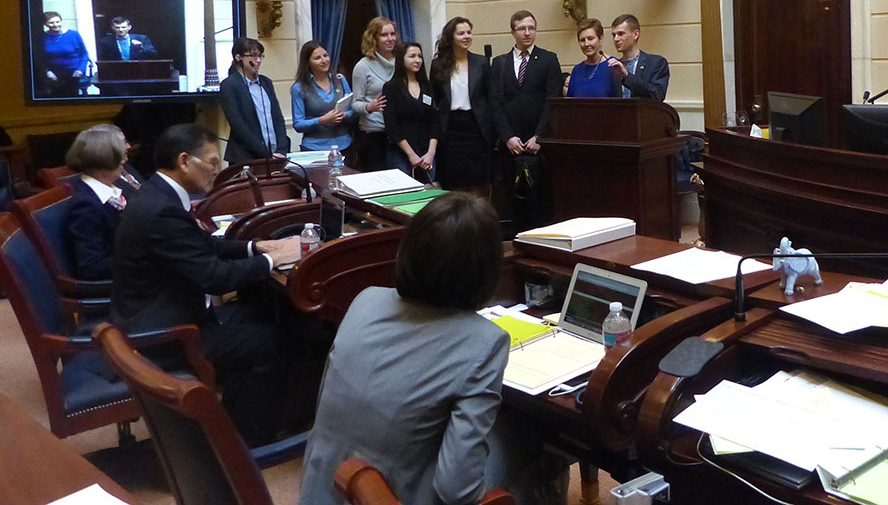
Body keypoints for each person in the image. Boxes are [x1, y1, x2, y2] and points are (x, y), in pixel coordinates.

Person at [298, 192, 567, 505]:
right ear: (487, 269)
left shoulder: (366, 300)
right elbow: (457, 490)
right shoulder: (484, 342)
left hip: (321, 490)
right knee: (538, 435)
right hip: (396, 495)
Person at [110, 123, 300, 445]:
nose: (218, 170)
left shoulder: (158, 193)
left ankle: (240, 416)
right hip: (164, 332)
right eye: (213, 162)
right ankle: (247, 439)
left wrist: (257, 247)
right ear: (185, 161)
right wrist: (274, 261)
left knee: (262, 311)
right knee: (271, 339)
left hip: (159, 310)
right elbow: (213, 276)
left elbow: (202, 244)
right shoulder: (162, 210)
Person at [491, 11, 562, 230]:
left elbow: (553, 100)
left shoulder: (548, 59)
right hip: (510, 144)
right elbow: (495, 103)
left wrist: (540, 135)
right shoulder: (500, 63)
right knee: (513, 202)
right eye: (522, 28)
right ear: (513, 32)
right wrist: (507, 137)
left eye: (531, 28)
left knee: (539, 201)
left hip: (537, 143)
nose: (528, 33)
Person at [63, 124, 136, 281]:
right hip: (124, 288)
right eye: (120, 157)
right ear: (103, 160)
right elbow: (91, 266)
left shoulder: (116, 187)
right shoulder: (85, 206)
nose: (126, 159)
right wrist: (145, 260)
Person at [428, 17, 492, 193]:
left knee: (477, 180)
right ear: (451, 37)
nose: (466, 36)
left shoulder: (482, 63)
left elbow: (489, 96)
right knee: (453, 179)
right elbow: (435, 98)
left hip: (475, 127)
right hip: (450, 128)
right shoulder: (438, 64)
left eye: (469, 32)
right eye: (461, 33)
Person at [218, 37, 291, 164]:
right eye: (253, 56)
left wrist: (281, 148)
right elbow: (238, 124)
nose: (258, 61)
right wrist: (264, 152)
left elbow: (277, 117)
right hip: (246, 156)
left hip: (275, 154)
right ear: (238, 57)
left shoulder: (266, 82)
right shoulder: (229, 85)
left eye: (260, 56)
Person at [382, 42, 439, 179]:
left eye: (420, 56)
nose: (417, 60)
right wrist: (411, 154)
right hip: (401, 153)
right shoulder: (391, 87)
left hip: (427, 153)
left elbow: (435, 121)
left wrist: (431, 153)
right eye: (412, 56)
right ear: (402, 59)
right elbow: (392, 126)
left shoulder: (427, 86)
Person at [290, 41, 356, 154]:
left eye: (325, 56)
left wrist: (345, 115)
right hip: (315, 148)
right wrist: (322, 120)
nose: (324, 60)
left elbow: (353, 109)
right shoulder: (299, 88)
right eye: (317, 58)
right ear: (308, 63)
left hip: (344, 145)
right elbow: (298, 124)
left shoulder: (340, 80)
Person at [350, 17, 394, 171]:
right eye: (384, 35)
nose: (390, 39)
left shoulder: (402, 61)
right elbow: (355, 103)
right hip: (374, 133)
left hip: (398, 133)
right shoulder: (362, 67)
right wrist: (370, 106)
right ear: (374, 38)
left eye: (392, 34)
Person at [607, 14, 669, 101]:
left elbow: (658, 95)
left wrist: (626, 76)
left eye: (621, 34)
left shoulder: (656, 63)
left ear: (636, 34)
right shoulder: (614, 67)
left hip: (645, 113)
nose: (616, 39)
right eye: (614, 35)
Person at [38, 11, 91, 97]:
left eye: (58, 21)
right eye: (51, 22)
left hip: (74, 73)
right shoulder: (42, 37)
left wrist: (81, 69)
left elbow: (84, 53)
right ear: (45, 24)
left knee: (72, 97)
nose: (55, 24)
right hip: (53, 74)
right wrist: (47, 72)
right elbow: (39, 58)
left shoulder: (74, 34)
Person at [566, 17, 620, 98]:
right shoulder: (577, 70)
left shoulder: (614, 66)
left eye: (590, 39)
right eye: (582, 40)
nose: (586, 44)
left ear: (601, 39)